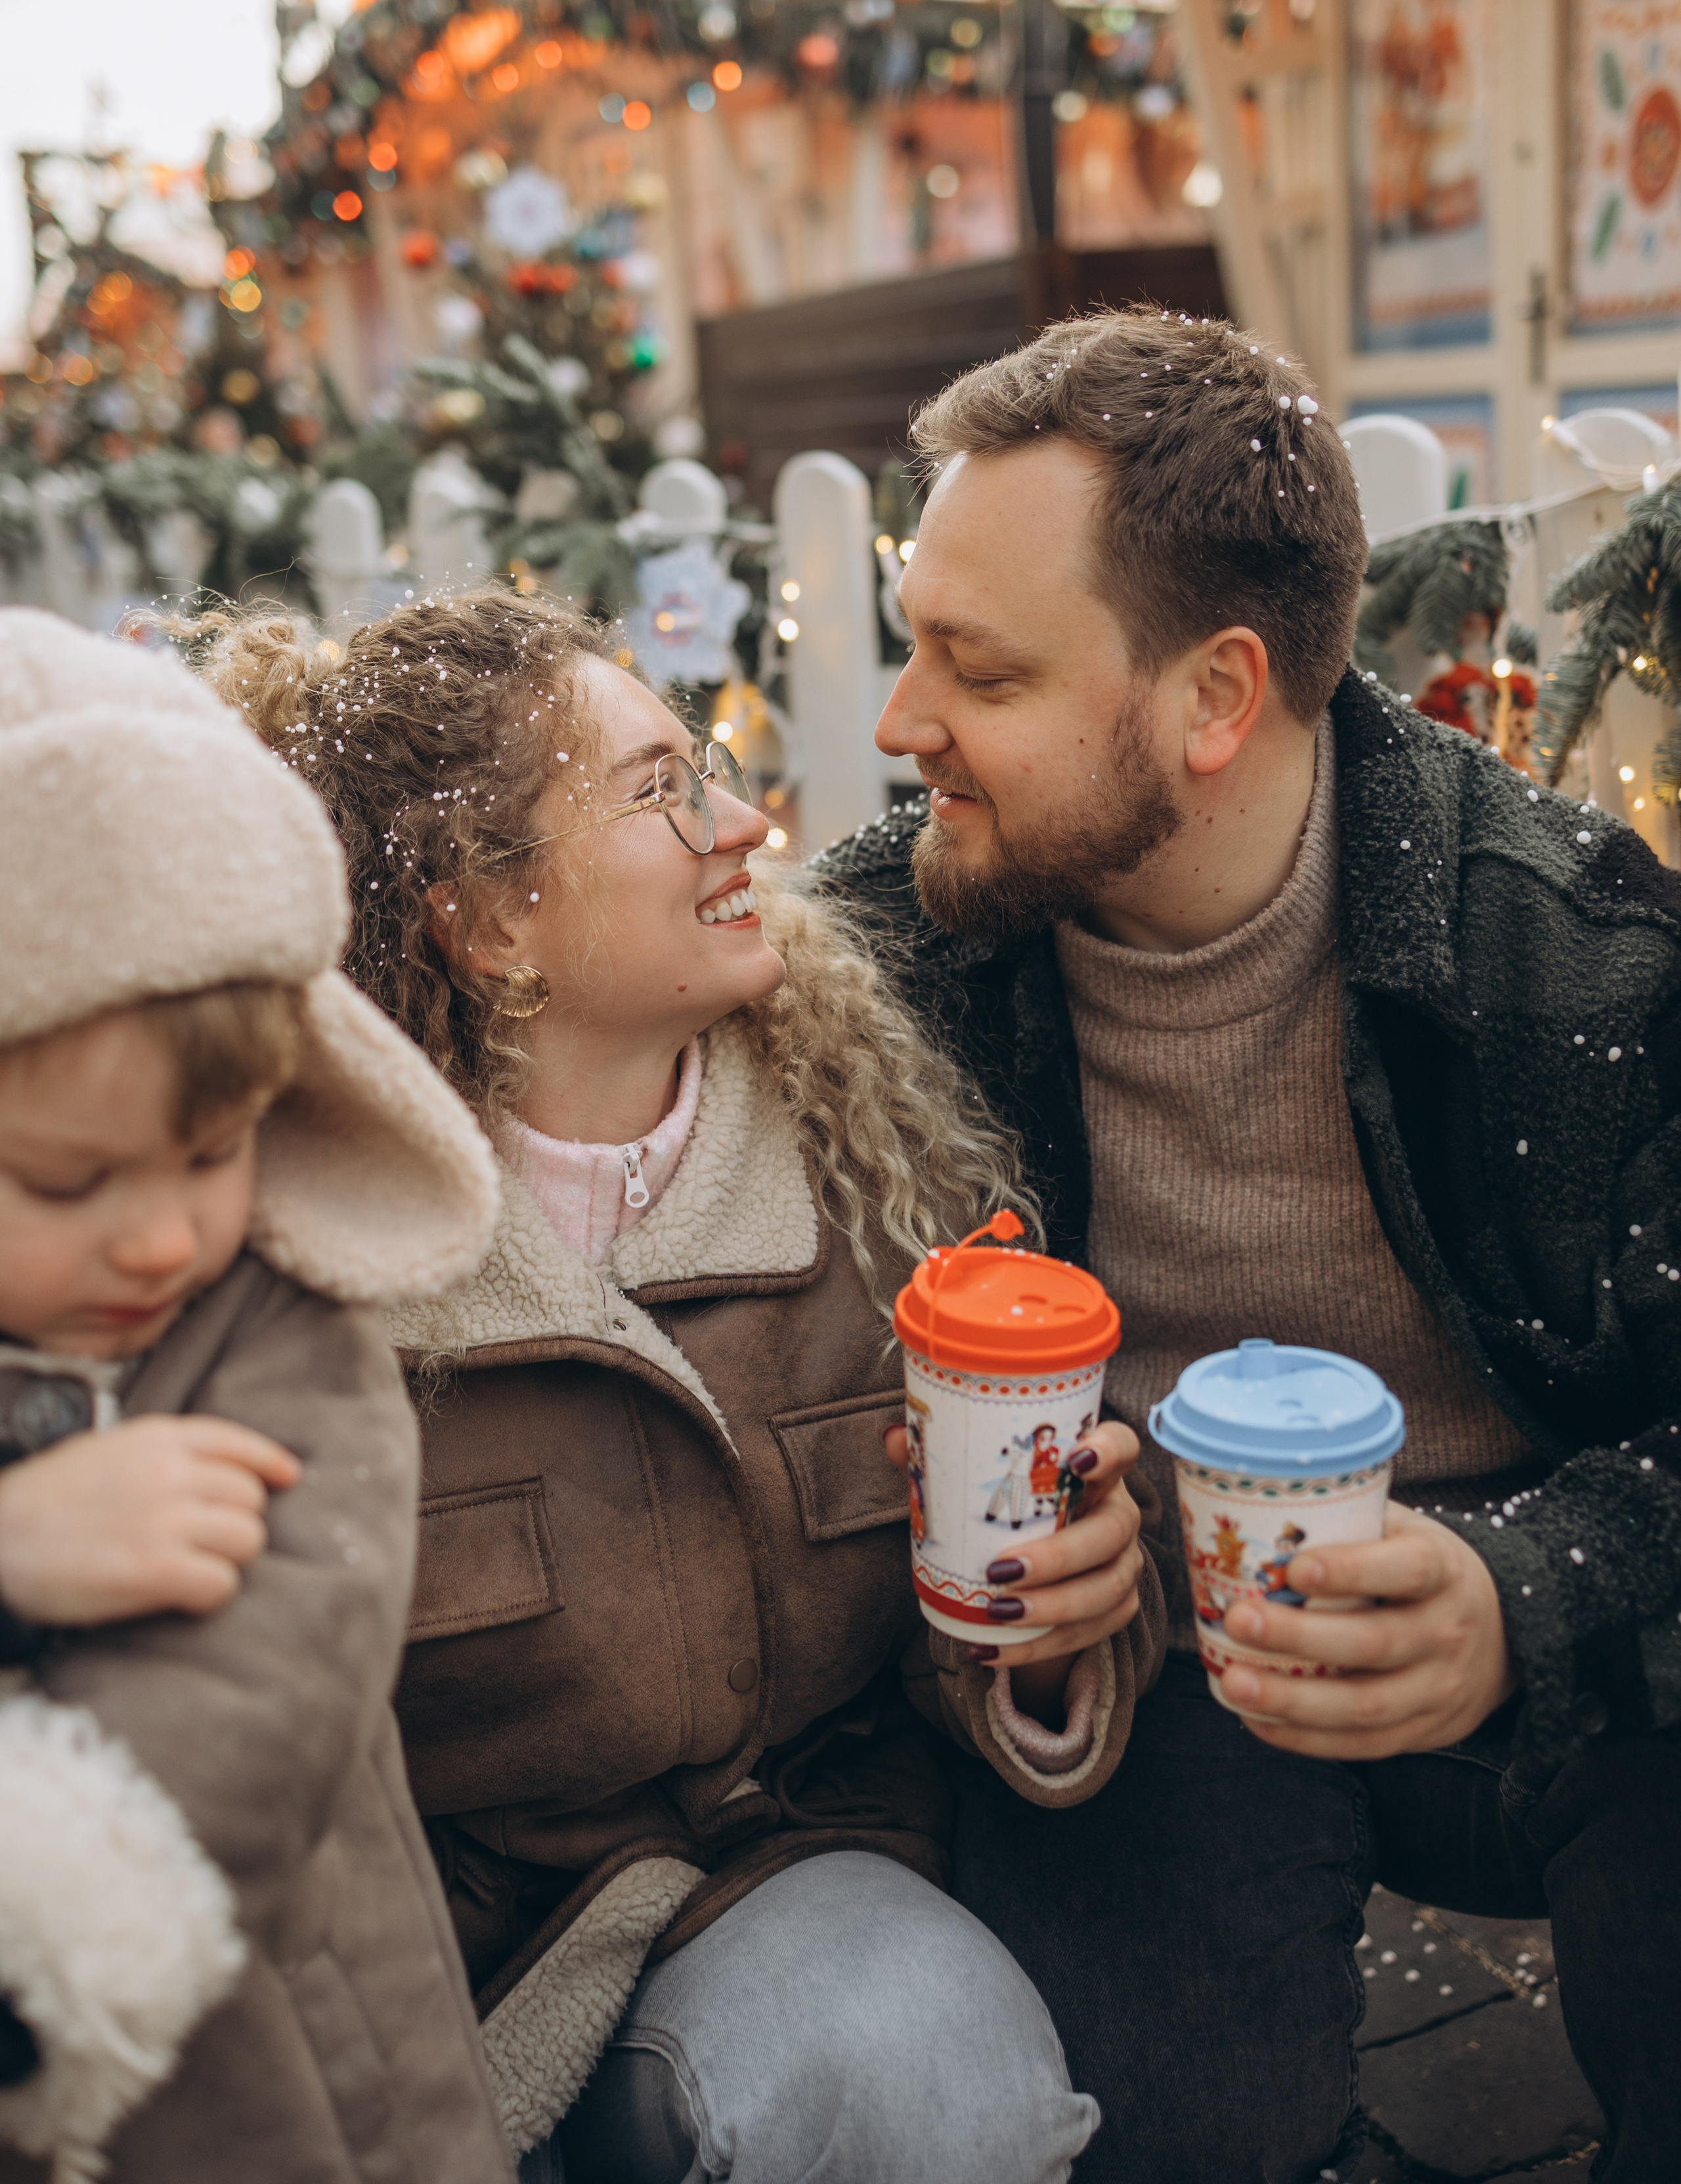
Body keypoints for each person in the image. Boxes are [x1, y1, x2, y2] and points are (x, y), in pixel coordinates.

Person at [816, 305, 1681, 2184]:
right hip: (1159, 1677)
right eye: (908, 645)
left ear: (1214, 699)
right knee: (1157, 2137)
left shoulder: (1570, 956)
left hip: (1587, 1674)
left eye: (979, 668)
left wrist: (1524, 1594)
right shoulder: (884, 957)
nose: (901, 726)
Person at [199, 588, 1168, 2184]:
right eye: (658, 793)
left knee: (927, 2082)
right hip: (434, 1988)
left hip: (782, 1897)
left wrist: (1058, 1632)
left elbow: (969, 1657)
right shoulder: (288, 1261)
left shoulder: (879, 1188)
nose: (743, 825)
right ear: (483, 918)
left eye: (705, 770)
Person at [0, 608, 512, 2184]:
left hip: (291, 2115)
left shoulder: (274, 1335)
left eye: (215, 1154)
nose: (162, 1235)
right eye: (65, 1180)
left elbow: (250, 1715)